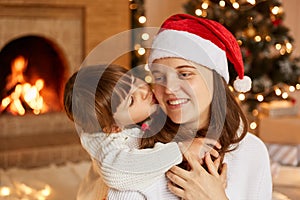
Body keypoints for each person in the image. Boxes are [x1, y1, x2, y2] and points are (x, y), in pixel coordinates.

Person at [141, 13, 273, 200]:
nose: (169, 89)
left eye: (185, 74)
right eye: (159, 77)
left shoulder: (251, 151)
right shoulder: (136, 152)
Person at [63, 64, 224, 199]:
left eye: (134, 81)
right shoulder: (107, 143)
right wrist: (182, 149)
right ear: (114, 127)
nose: (144, 91)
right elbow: (116, 171)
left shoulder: (141, 119)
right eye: (131, 100)